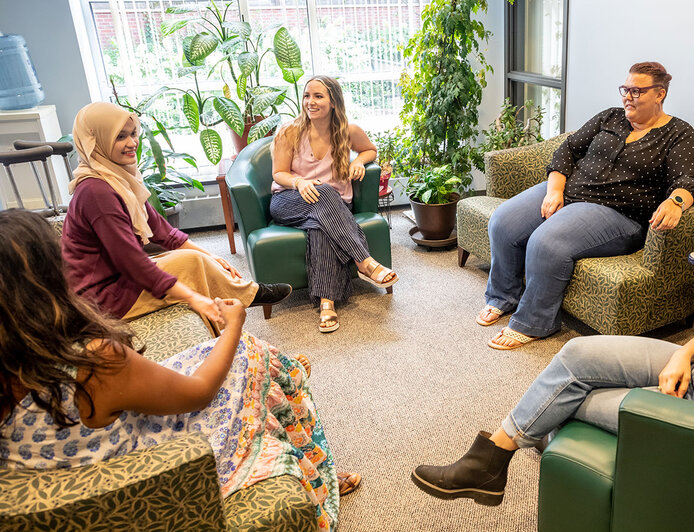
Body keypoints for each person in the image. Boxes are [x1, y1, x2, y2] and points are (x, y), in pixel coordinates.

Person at [413, 161, 694, 506]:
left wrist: (680, 415)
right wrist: (682, 354)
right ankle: (491, 461)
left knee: (564, 405)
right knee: (576, 355)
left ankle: (493, 466)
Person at [0, 209, 362, 530]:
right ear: (45, 282)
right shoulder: (96, 361)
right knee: (252, 355)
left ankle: (286, 382)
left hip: (90, 462)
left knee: (239, 358)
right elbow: (199, 392)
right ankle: (315, 473)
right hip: (151, 470)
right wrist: (234, 324)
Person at [478, 61, 694, 350]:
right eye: (625, 89)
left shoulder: (680, 134)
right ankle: (502, 297)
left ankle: (534, 323)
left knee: (546, 242)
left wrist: (676, 202)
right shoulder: (610, 117)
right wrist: (555, 190)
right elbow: (568, 149)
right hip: (570, 191)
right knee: (503, 221)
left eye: (637, 91)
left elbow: (689, 181)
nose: (627, 97)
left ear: (659, 94)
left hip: (618, 213)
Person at [61, 102, 291, 332]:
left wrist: (213, 257)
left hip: (115, 278)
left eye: (133, 134)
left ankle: (246, 296)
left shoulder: (117, 178)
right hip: (100, 299)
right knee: (191, 270)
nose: (132, 143)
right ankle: (239, 312)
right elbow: (132, 263)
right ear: (96, 141)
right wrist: (193, 298)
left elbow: (163, 231)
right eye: (120, 137)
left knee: (194, 258)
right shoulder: (97, 192)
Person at [270, 75, 398, 333]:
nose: (310, 102)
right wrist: (299, 183)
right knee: (324, 192)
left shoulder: (347, 131)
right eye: (307, 96)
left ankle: (327, 303)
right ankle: (365, 262)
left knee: (321, 228)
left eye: (318, 96)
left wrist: (358, 161)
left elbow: (370, 150)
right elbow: (278, 173)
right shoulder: (290, 131)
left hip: (331, 208)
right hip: (289, 200)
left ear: (334, 103)